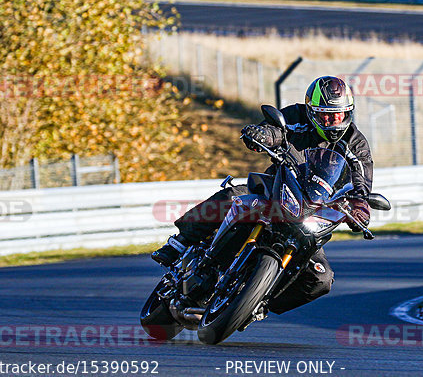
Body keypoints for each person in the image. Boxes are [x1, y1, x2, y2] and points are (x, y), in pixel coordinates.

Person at [151, 75, 373, 314]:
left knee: (321, 280)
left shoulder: (356, 143)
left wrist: (360, 207)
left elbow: (361, 183)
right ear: (311, 111)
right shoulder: (297, 116)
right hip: (276, 190)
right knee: (231, 198)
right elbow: (276, 130)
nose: (333, 121)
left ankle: (258, 302)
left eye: (339, 115)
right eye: (326, 115)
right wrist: (262, 136)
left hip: (313, 213)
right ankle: (181, 242)